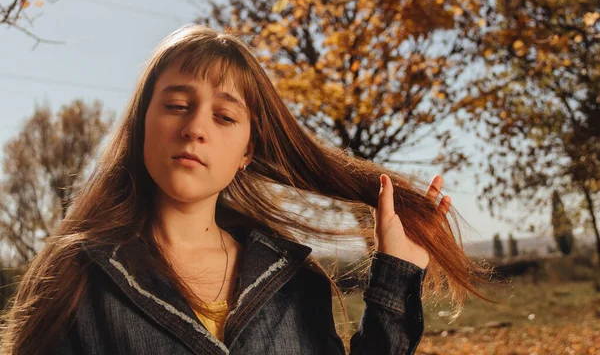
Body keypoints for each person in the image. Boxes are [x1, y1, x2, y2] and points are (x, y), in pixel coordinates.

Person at [1, 25, 493, 355]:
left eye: (224, 116)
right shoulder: (79, 278)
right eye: (176, 105)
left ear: (246, 153)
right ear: (141, 124)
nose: (196, 128)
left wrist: (396, 275)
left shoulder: (296, 287)